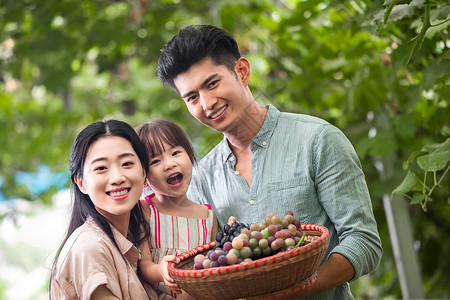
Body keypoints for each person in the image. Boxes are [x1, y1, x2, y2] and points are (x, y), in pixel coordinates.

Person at [156, 25, 383, 299]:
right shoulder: (202, 176)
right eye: (192, 97)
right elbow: (204, 263)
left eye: (212, 83)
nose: (206, 103)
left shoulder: (318, 140)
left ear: (241, 71)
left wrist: (292, 289)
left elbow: (363, 242)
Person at [50, 119, 160, 299]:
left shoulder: (137, 236)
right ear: (81, 183)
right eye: (101, 168)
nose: (117, 177)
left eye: (127, 164)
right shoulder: (91, 248)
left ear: (143, 172)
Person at [136, 119, 219, 300]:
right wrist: (162, 271)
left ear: (190, 155)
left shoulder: (208, 218)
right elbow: (144, 266)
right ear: (143, 174)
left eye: (175, 153)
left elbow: (216, 266)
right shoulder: (145, 211)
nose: (169, 164)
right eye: (156, 160)